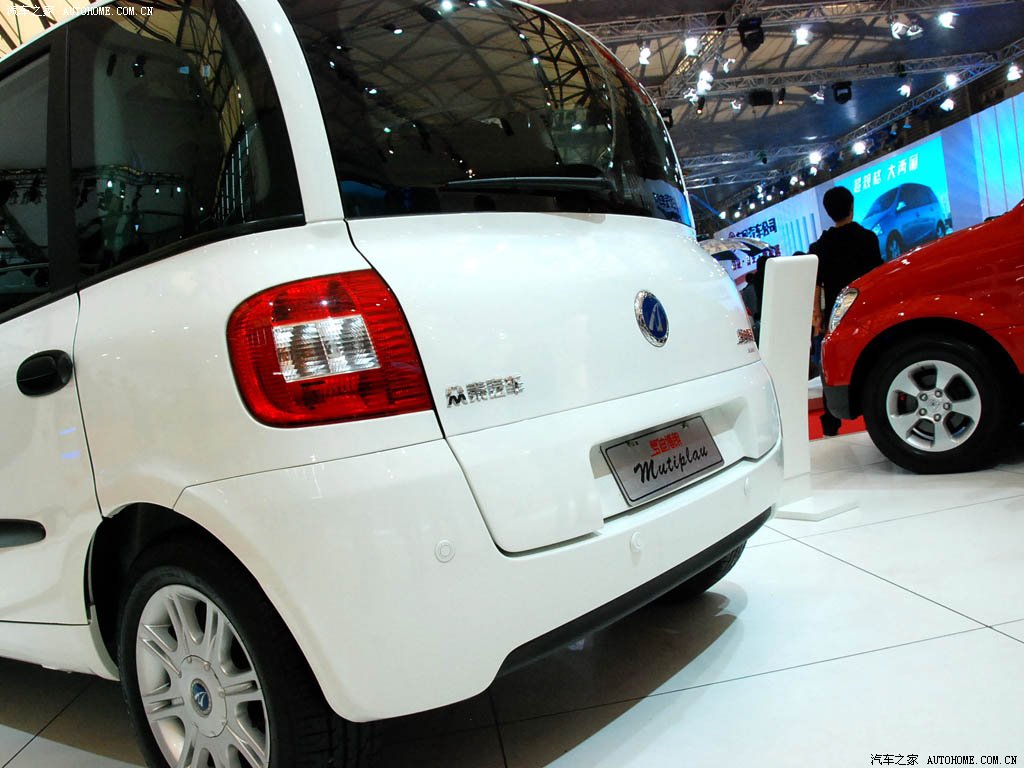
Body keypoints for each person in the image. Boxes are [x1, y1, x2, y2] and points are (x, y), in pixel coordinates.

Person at [810, 186, 883, 436]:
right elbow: (877, 277)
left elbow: (816, 286)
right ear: (852, 206)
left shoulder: (820, 246)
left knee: (832, 368)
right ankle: (876, 414)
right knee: (873, 361)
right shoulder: (868, 239)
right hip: (867, 311)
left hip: (836, 315)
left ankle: (831, 423)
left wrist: (817, 317)